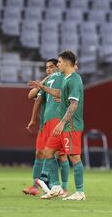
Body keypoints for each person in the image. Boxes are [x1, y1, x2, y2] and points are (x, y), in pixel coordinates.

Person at [29, 50, 85, 201]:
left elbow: (74, 104)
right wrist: (42, 87)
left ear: (66, 63)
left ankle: (80, 192)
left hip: (70, 125)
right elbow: (60, 94)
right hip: (62, 125)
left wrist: (62, 123)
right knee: (48, 151)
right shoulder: (67, 79)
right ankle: (55, 187)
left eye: (59, 62)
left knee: (74, 157)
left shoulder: (74, 79)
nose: (57, 65)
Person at [23, 58, 69, 197]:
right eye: (46, 68)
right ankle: (36, 186)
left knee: (60, 156)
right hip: (45, 122)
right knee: (40, 153)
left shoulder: (63, 78)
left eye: (50, 67)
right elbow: (33, 97)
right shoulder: (48, 81)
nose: (48, 69)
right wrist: (33, 120)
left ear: (57, 67)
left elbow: (68, 94)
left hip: (59, 120)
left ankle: (62, 187)